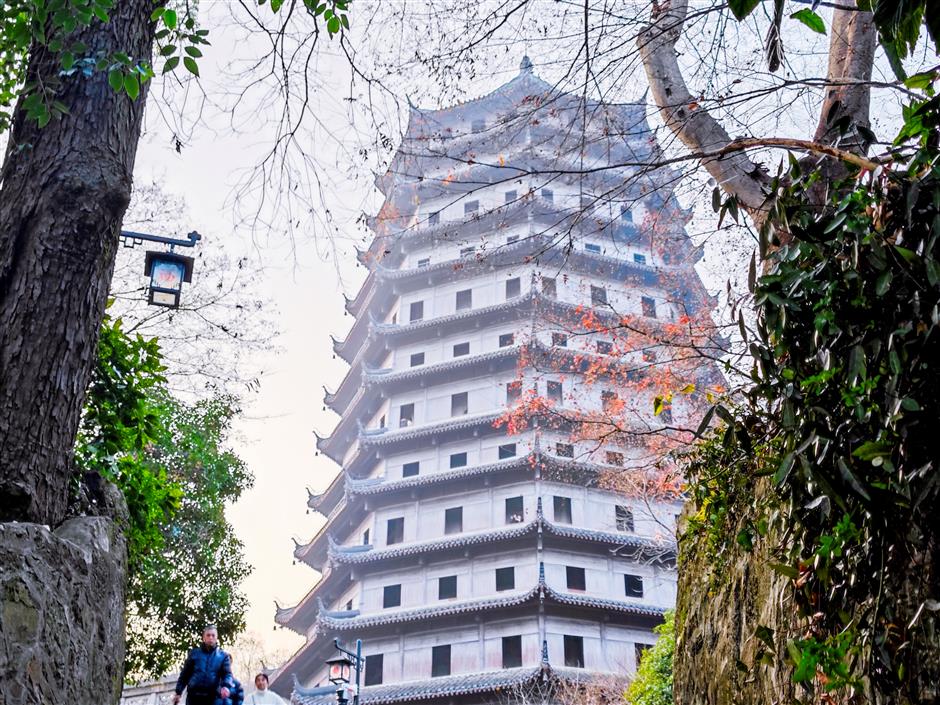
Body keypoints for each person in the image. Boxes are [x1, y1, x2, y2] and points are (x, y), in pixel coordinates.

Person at [173, 625, 235, 705]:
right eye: (208, 635)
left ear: (216, 638)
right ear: (204, 638)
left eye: (213, 635)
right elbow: (185, 674)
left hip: (213, 698)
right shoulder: (194, 654)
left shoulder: (223, 656)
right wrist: (178, 692)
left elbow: (227, 674)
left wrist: (226, 686)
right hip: (194, 697)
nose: (210, 638)